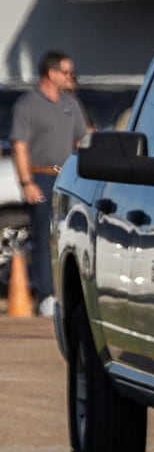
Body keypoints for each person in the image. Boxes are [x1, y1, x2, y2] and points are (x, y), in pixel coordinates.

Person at [9, 50, 87, 318]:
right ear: (51, 74)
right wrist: (27, 182)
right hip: (41, 176)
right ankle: (46, 295)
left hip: (66, 177)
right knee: (44, 235)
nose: (71, 78)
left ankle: (71, 294)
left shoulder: (71, 104)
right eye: (67, 72)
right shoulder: (28, 105)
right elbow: (19, 146)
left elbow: (82, 140)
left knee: (71, 236)